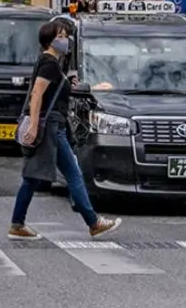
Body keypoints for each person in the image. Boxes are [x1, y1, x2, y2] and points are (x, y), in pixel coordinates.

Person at [11, 18, 122, 241]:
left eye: (65, 36)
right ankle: (93, 222)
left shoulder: (53, 64)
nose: (65, 40)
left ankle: (18, 223)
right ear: (49, 41)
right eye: (60, 37)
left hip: (53, 125)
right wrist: (33, 125)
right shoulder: (49, 64)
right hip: (50, 127)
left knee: (36, 177)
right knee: (68, 173)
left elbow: (52, 92)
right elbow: (37, 95)